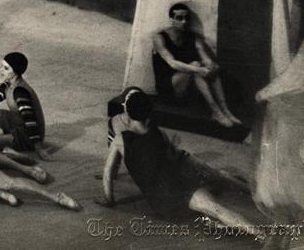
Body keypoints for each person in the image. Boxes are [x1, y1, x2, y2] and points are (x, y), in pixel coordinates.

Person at [97, 89, 263, 238]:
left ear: (127, 112)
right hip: (179, 185)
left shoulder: (119, 140)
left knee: (212, 208)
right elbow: (171, 159)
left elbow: (108, 174)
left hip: (163, 202)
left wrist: (108, 199)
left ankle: (221, 221)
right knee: (218, 208)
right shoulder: (158, 133)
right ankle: (261, 233)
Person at [152, 2, 242, 128]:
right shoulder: (159, 38)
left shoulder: (193, 37)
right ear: (171, 20)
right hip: (167, 90)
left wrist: (210, 65)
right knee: (196, 66)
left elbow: (204, 56)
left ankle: (225, 110)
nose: (184, 21)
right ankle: (216, 112)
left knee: (212, 67)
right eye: (179, 18)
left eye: (186, 18)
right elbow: (172, 63)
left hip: (185, 88)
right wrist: (197, 69)